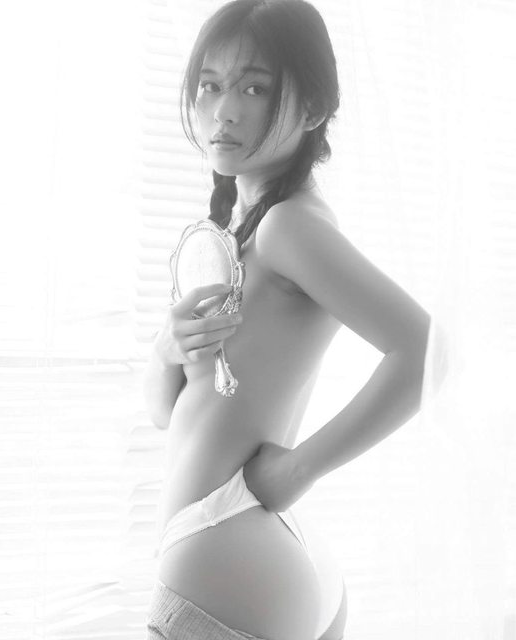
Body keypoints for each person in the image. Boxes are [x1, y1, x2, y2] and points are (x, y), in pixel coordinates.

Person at [143, 0, 431, 638]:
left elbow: (426, 351)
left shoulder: (287, 227)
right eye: (210, 85)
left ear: (313, 108)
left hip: (222, 542)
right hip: (257, 545)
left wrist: (298, 470)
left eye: (254, 88)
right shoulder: (249, 229)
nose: (224, 110)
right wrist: (166, 350)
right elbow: (169, 416)